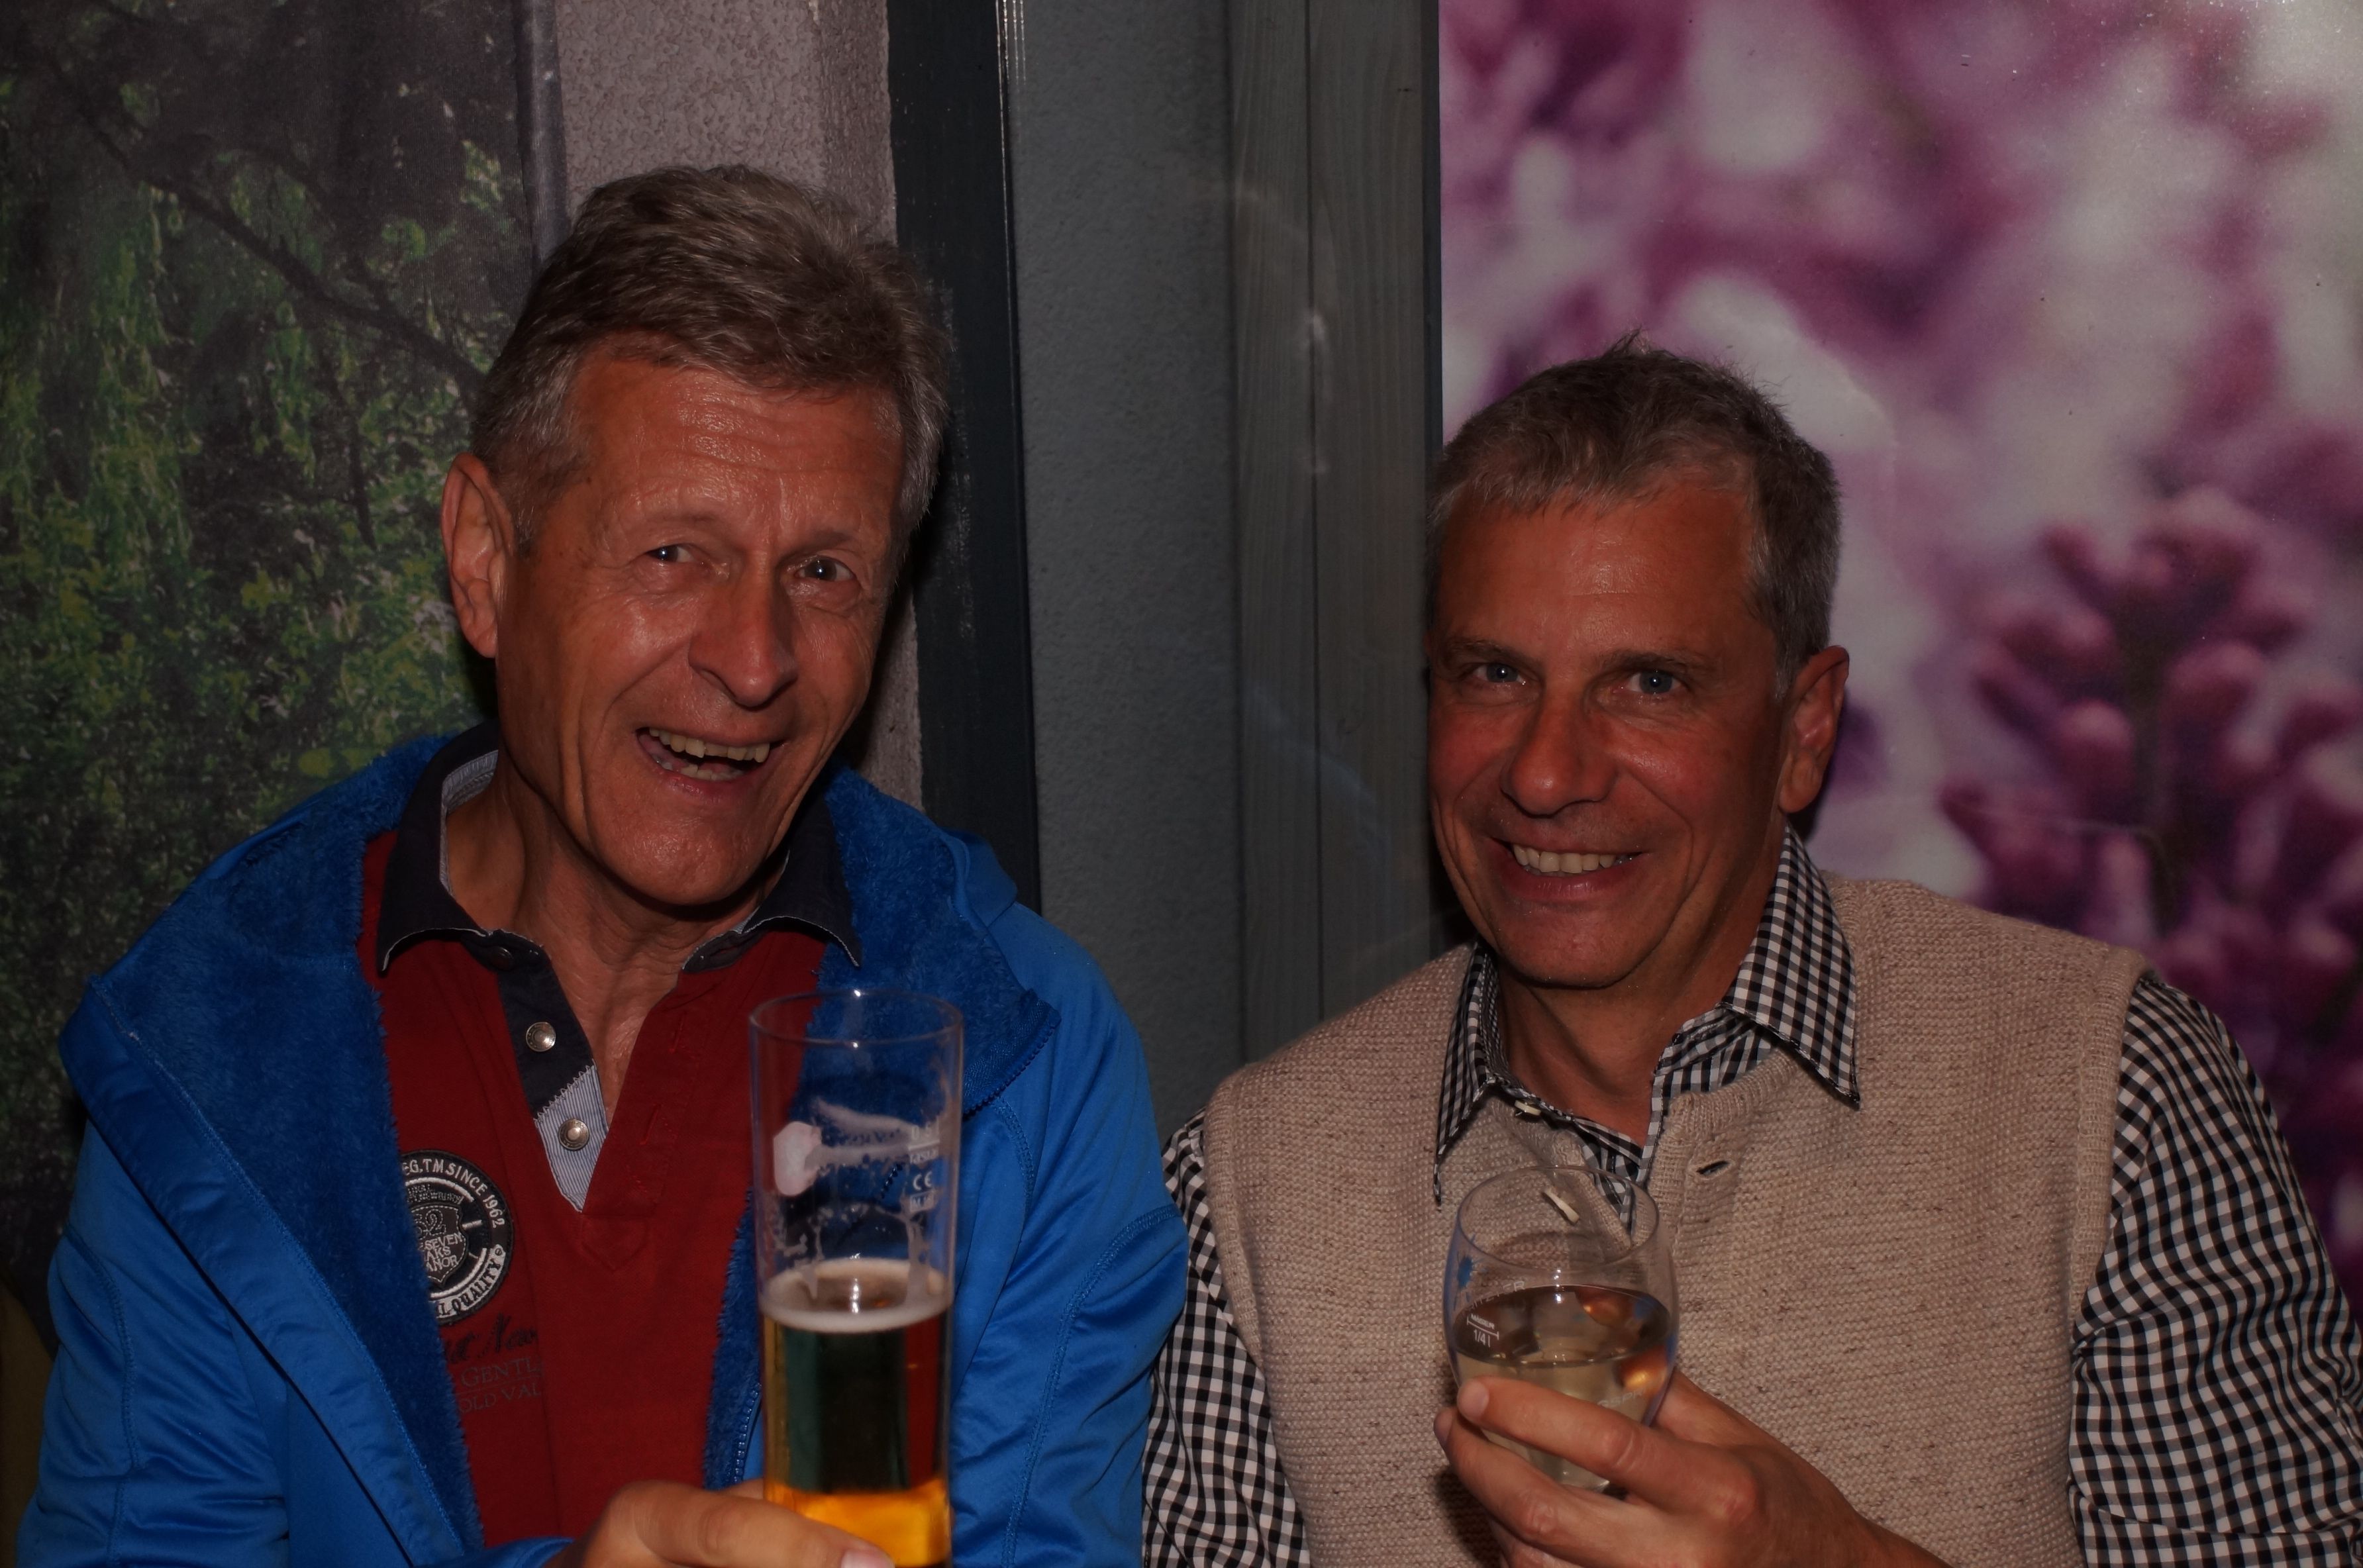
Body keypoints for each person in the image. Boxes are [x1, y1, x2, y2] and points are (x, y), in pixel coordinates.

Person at [19, 166, 1184, 1568]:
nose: (752, 661)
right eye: (673, 551)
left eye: (823, 572)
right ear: (484, 562)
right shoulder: (223, 1040)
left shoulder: (1019, 1053)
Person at [1143, 338, 2363, 1566]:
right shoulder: (1253, 1186)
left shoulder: (2108, 1092)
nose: (1547, 773)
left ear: (1805, 731)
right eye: (1496, 673)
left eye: (1650, 684)